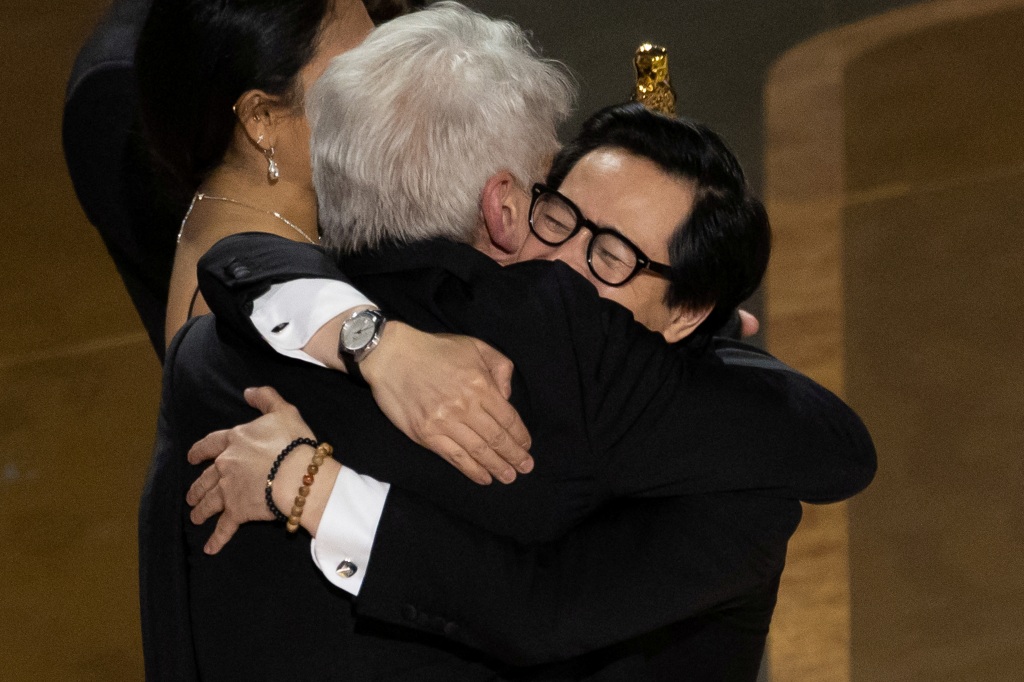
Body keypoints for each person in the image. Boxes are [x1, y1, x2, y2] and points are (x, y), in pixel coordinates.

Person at [146, 4, 874, 679]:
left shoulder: (208, 359)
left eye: (611, 256)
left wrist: (314, 484)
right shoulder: (515, 347)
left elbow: (547, 609)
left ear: (690, 312)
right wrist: (374, 343)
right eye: (558, 215)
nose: (558, 267)